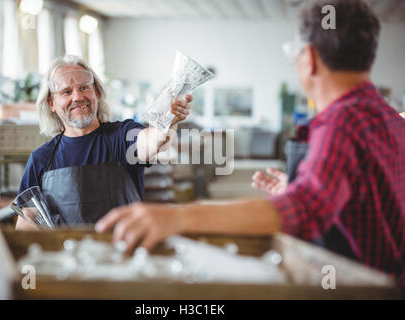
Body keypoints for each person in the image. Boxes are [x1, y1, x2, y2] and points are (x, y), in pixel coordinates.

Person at [95, 0, 405, 284]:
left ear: (308, 58)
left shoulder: (340, 122)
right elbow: (371, 201)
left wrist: (177, 216)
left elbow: (304, 212)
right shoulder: (390, 119)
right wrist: (297, 189)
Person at [16, 55, 192, 229]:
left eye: (84, 88)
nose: (77, 97)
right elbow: (26, 221)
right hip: (67, 255)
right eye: (66, 92)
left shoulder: (122, 136)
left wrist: (170, 121)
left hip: (123, 252)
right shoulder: (41, 158)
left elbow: (155, 141)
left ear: (97, 94)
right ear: (51, 103)